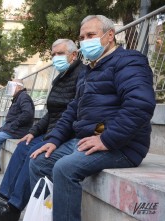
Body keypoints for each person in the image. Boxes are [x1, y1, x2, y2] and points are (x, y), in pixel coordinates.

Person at [29, 15, 156, 221]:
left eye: (91, 35)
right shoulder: (89, 70)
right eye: (82, 37)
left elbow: (140, 105)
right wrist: (53, 140)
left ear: (110, 35)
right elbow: (72, 109)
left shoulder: (130, 61)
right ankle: (47, 215)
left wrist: (107, 139)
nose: (86, 41)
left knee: (64, 168)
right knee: (38, 162)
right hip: (86, 140)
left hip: (122, 145)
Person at [0, 39, 84, 221]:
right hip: (51, 131)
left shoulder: (82, 76)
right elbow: (50, 114)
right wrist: (33, 132)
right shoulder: (60, 78)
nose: (55, 58)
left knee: (34, 154)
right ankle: (4, 197)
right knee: (22, 147)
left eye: (60, 54)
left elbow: (73, 114)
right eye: (53, 54)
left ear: (74, 55)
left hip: (65, 134)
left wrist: (52, 137)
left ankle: (13, 208)